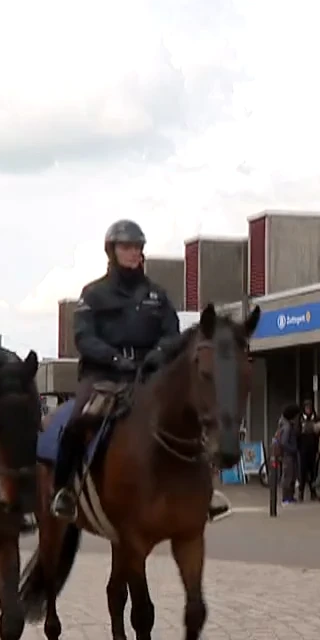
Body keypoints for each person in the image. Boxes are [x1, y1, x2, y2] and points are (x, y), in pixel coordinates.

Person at [48, 220, 230, 521]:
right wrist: (115, 359)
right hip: (103, 375)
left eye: (137, 248)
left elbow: (172, 332)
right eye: (127, 247)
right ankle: (64, 490)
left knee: (188, 414)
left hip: (149, 374)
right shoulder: (93, 294)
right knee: (78, 420)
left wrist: (158, 354)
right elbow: (84, 337)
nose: (134, 253)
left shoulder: (157, 295)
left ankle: (205, 492)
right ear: (112, 251)